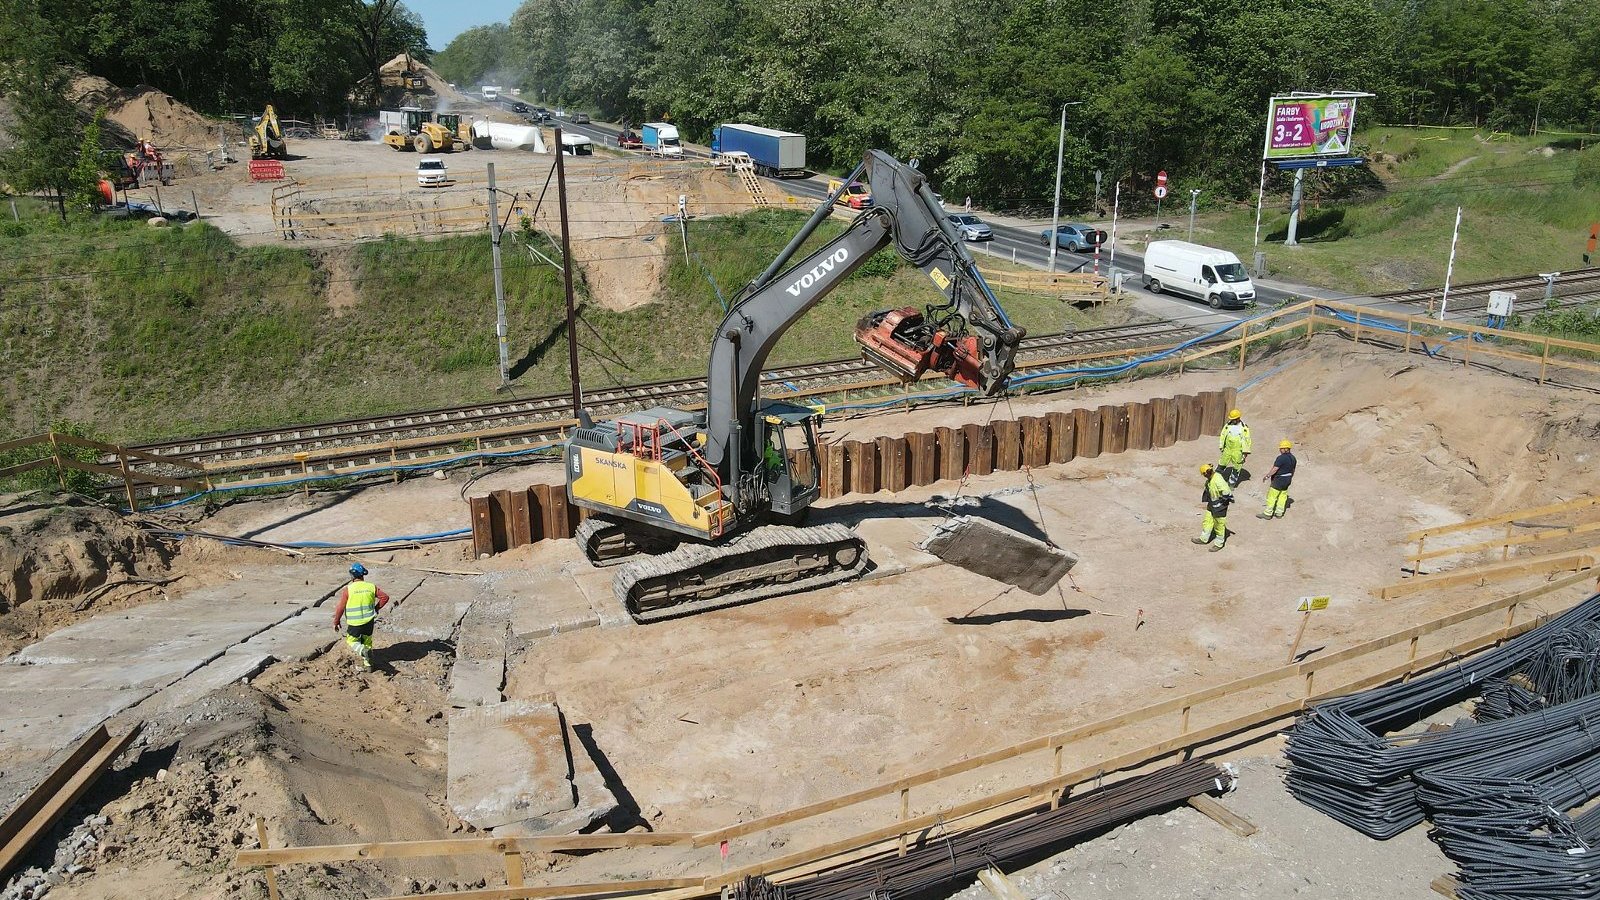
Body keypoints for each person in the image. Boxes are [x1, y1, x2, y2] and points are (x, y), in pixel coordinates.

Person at [331, 563, 389, 669]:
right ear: (363, 575)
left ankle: (362, 651)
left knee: (352, 640)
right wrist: (376, 608)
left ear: (352, 576)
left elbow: (340, 608)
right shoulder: (371, 587)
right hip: (369, 621)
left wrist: (336, 621)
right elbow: (385, 597)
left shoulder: (348, 589)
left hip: (354, 623)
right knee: (367, 641)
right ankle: (369, 665)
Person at [1191, 463, 1233, 552]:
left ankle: (1219, 543)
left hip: (1219, 507)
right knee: (1207, 521)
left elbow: (1226, 491)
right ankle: (1204, 538)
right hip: (1212, 504)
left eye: (1204, 475)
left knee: (1219, 525)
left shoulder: (1217, 479)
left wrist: (1222, 502)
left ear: (1206, 473)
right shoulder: (1211, 478)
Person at [1258, 440, 1297, 519]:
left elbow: (1275, 469)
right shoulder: (1293, 458)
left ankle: (1268, 513)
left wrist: (1267, 476)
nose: (1280, 450)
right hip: (1288, 479)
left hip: (1279, 480)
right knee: (1283, 496)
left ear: (1285, 449)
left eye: (1281, 448)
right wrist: (1289, 478)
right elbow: (1293, 470)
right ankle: (1279, 513)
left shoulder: (1281, 458)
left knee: (1272, 496)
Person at [1217, 409, 1252, 489]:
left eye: (1233, 419)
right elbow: (1223, 435)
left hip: (1238, 451)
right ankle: (1215, 481)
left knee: (1236, 469)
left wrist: (1245, 453)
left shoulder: (1244, 428)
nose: (1232, 420)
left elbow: (1247, 440)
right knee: (1221, 465)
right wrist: (1221, 446)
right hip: (1227, 449)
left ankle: (1231, 485)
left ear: (1238, 418)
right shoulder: (1227, 425)